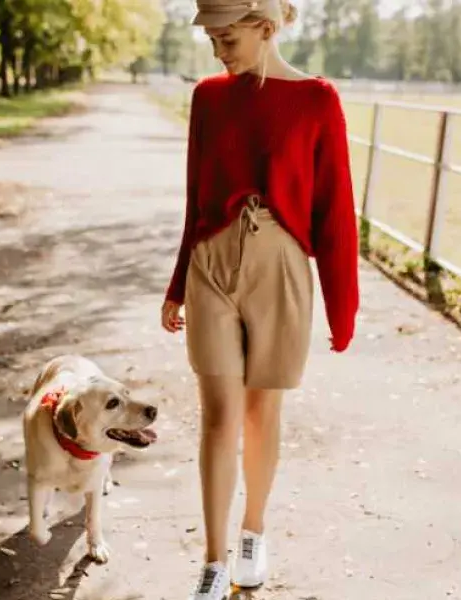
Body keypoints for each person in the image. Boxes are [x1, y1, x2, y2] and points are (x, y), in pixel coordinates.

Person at [159, 0, 360, 598]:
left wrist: (341, 306)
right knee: (219, 417)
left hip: (281, 268)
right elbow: (195, 198)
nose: (219, 52)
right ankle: (214, 560)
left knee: (259, 414)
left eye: (228, 39)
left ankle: (254, 530)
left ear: (265, 28)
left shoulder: (318, 100)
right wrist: (177, 284)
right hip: (211, 266)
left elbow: (335, 210)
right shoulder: (208, 98)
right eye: (213, 41)